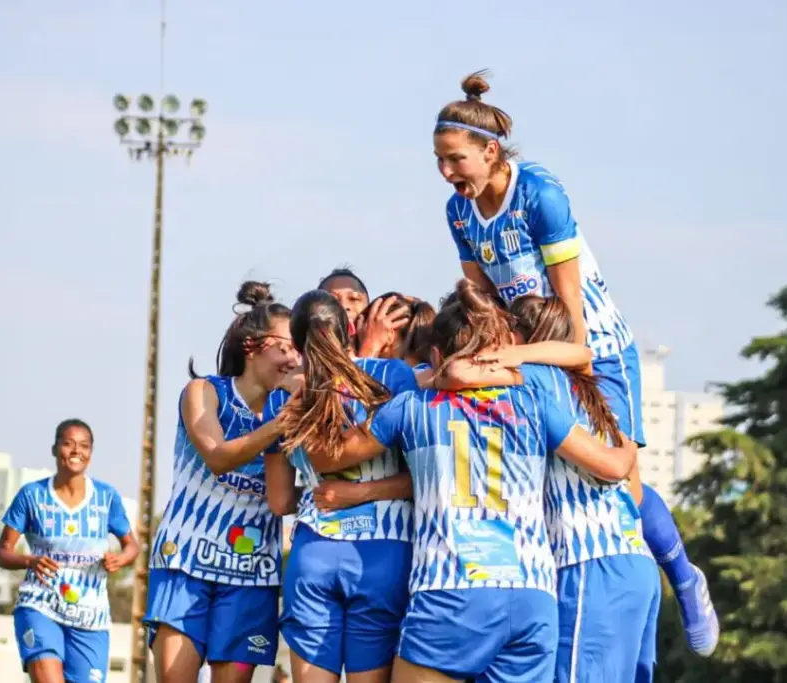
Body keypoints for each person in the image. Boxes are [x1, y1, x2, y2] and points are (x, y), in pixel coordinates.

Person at [433, 70, 718, 655]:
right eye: (438, 160)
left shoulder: (539, 195)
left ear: (490, 152)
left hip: (595, 349)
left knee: (621, 481)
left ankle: (683, 575)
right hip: (529, 351)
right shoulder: (458, 212)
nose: (446, 172)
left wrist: (522, 360)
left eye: (455, 159)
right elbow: (481, 299)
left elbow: (576, 329)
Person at [330, 280, 639, 683]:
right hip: (531, 596)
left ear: (435, 355)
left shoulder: (411, 406)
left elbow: (336, 454)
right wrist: (628, 443)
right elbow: (612, 466)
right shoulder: (534, 401)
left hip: (449, 589)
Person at [143, 282, 301, 683]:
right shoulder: (203, 392)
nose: (294, 358)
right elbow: (217, 456)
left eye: (299, 349)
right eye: (286, 347)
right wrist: (280, 424)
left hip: (252, 572)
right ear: (252, 347)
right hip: (185, 561)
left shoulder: (294, 408)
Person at [262, 289, 417, 683]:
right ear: (350, 329)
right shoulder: (393, 376)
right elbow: (423, 477)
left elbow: (279, 501)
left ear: (297, 344)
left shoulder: (282, 397)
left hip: (313, 552)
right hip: (382, 554)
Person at [0, 419, 138, 683]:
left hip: (90, 616)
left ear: (90, 453)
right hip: (40, 605)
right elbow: (2, 553)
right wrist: (29, 561)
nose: (76, 451)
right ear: (54, 449)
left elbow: (132, 546)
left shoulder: (106, 497)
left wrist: (120, 559)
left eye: (84, 446)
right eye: (68, 444)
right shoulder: (31, 495)